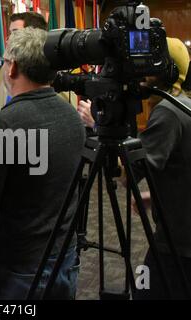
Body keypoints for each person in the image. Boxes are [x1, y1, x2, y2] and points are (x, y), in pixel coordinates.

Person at [0, 27, 86, 300]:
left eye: (4, 61)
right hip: (65, 257)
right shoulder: (73, 118)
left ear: (12, 67)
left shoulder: (3, 126)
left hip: (20, 270)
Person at [77, 37, 191, 299]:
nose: (138, 72)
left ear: (165, 70)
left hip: (177, 246)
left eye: (146, 65)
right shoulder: (182, 104)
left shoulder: (168, 113)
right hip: (180, 236)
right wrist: (156, 196)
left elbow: (128, 173)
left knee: (145, 290)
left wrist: (97, 125)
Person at [0, 12, 48, 130]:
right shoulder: (6, 70)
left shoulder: (51, 72)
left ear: (34, 36)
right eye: (9, 34)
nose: (8, 39)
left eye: (15, 33)